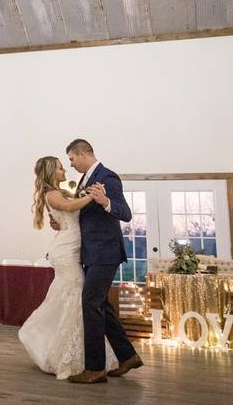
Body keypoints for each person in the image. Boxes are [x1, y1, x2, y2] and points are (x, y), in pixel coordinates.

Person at [18, 156, 113, 379]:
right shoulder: (52, 193)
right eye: (61, 167)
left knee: (73, 298)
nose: (65, 170)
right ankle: (69, 354)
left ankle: (79, 353)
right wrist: (92, 195)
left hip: (70, 248)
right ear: (52, 171)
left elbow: (65, 216)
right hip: (66, 253)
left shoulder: (58, 192)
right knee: (77, 298)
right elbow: (70, 207)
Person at [65, 139, 142, 384]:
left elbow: (126, 213)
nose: (71, 164)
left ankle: (95, 368)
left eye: (72, 159)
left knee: (89, 302)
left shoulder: (108, 177)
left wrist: (106, 202)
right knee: (100, 305)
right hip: (92, 253)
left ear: (82, 153)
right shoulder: (84, 180)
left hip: (105, 252)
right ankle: (128, 356)